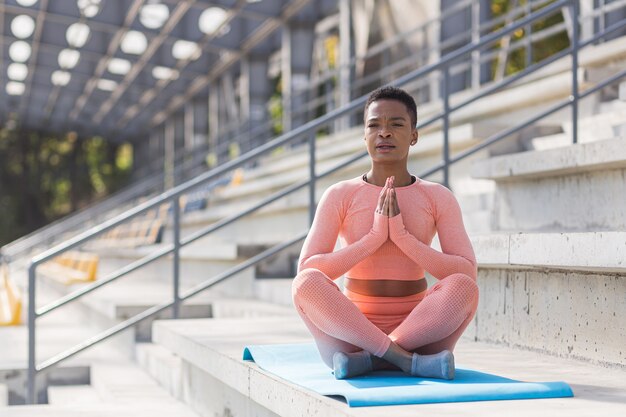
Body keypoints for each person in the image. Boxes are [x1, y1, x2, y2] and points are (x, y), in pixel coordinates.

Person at [291, 86, 479, 380]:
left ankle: (376, 358)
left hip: (419, 330)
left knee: (464, 288)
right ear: (364, 135)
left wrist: (403, 238)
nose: (385, 133)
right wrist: (374, 238)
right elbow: (308, 268)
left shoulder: (438, 196)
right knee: (305, 283)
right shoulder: (340, 194)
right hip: (350, 334)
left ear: (414, 135)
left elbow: (467, 272)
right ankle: (404, 361)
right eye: (374, 125)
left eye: (396, 125)